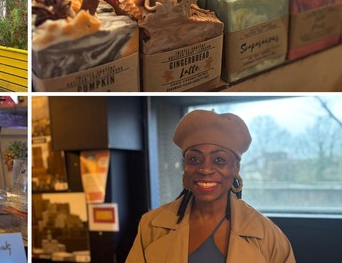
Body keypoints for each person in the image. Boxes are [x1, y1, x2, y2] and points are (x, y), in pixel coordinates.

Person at [126, 110, 296, 263]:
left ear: (236, 168)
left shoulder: (268, 236)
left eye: (219, 160)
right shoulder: (151, 226)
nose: (205, 169)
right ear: (185, 166)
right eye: (194, 159)